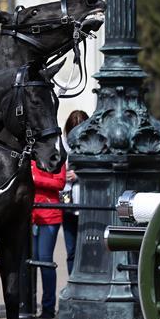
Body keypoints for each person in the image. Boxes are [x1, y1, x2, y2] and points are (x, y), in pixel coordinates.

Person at [30, 158, 66, 319]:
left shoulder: (56, 159)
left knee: (45, 262)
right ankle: (29, 305)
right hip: (30, 215)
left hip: (49, 214)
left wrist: (36, 180)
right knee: (31, 262)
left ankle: (48, 308)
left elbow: (60, 183)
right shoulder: (29, 157)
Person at [59, 110, 88, 275]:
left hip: (85, 202)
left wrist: (79, 175)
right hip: (67, 202)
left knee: (86, 249)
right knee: (71, 250)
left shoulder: (93, 144)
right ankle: (72, 280)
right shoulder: (62, 145)